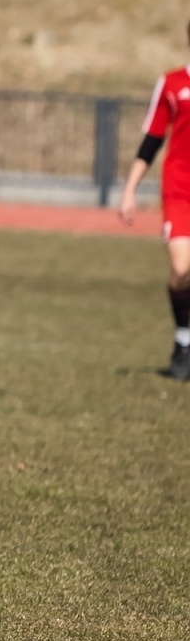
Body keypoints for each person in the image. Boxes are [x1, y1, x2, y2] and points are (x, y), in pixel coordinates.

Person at [118, 20, 190, 381]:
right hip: (179, 190)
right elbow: (152, 139)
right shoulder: (173, 84)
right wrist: (130, 190)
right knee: (180, 269)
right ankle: (183, 341)